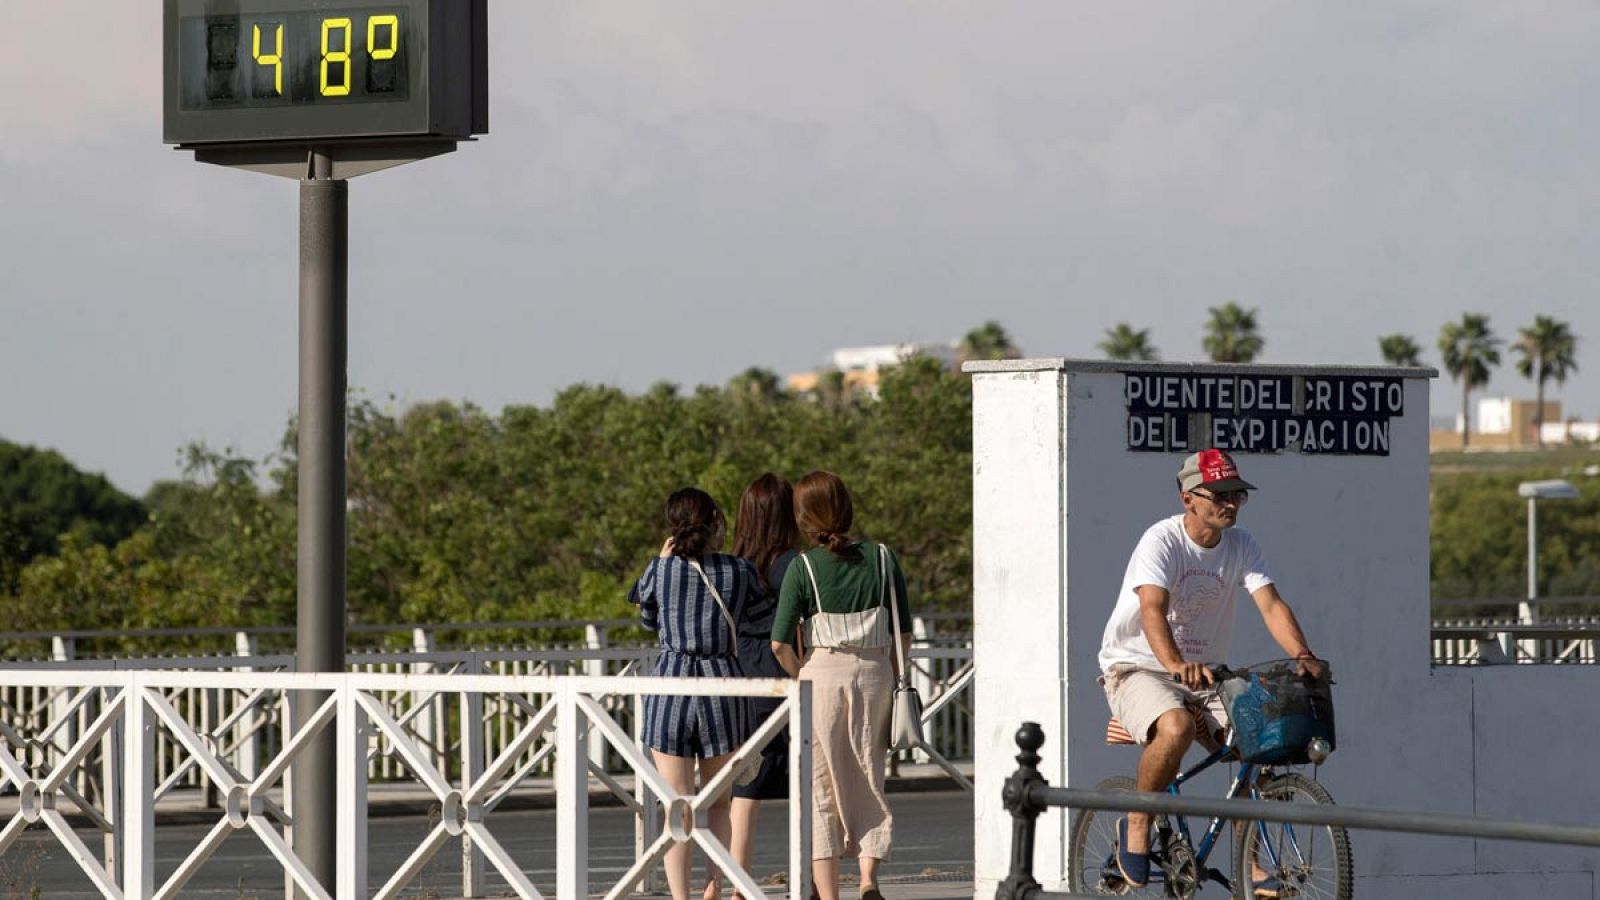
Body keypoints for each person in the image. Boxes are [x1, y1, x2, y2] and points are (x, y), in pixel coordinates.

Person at [1097, 449, 1318, 898]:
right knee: (1176, 726)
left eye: (1237, 494)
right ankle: (1137, 821)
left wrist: (1302, 652)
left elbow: (1270, 604)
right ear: (1188, 499)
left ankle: (1249, 864)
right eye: (1219, 494)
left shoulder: (1242, 545)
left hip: (1206, 675)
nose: (1230, 503)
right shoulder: (1161, 541)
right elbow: (1152, 608)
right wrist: (1175, 665)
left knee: (1256, 740)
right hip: (1138, 666)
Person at [770, 471, 912, 900]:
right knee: (870, 774)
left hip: (821, 676)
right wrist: (892, 673)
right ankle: (868, 879)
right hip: (875, 674)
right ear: (846, 508)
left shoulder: (803, 568)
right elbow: (903, 633)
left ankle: (829, 893)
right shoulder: (883, 558)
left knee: (820, 785)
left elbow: (779, 644)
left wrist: (800, 676)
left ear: (803, 518)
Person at [630, 487, 771, 900]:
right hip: (722, 688)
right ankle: (715, 885)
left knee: (677, 807)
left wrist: (662, 563)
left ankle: (681, 897)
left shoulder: (659, 570)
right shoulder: (739, 571)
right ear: (715, 521)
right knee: (720, 803)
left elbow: (647, 619)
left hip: (671, 689)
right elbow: (758, 616)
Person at [701, 473, 803, 900]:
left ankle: (724, 884)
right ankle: (812, 879)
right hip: (781, 673)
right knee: (806, 783)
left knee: (741, 789)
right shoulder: (792, 563)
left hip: (735, 672)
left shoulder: (732, 565)